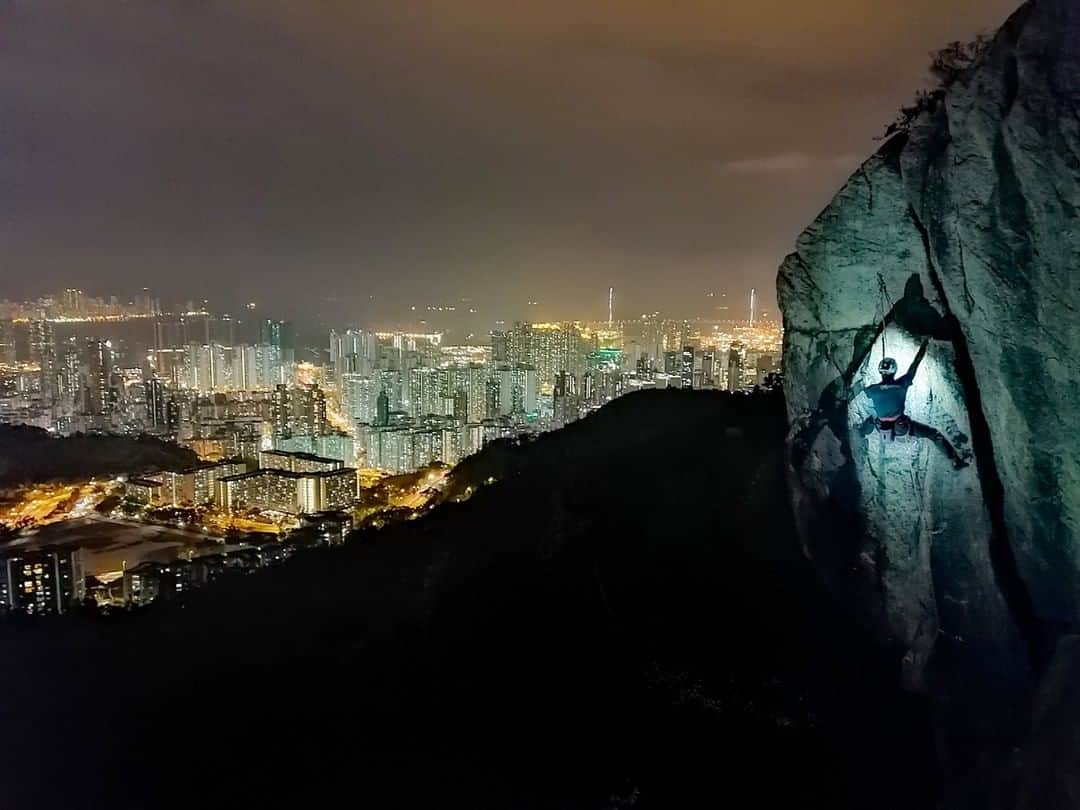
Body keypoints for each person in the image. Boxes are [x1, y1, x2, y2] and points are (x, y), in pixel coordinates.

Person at [859, 339, 971, 469]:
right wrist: (923, 346)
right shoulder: (902, 384)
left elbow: (865, 391)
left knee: (872, 418)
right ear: (894, 371)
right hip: (901, 426)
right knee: (933, 434)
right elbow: (914, 365)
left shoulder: (872, 389)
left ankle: (859, 433)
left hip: (881, 427)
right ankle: (955, 461)